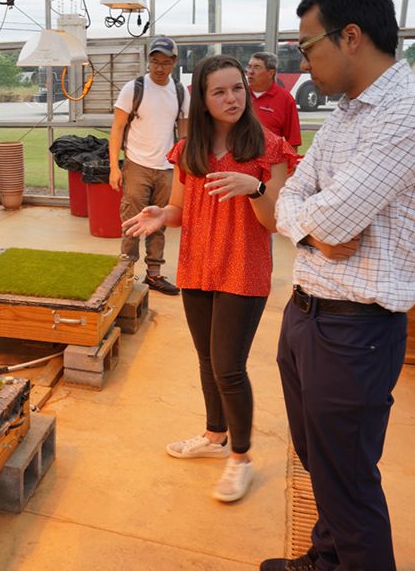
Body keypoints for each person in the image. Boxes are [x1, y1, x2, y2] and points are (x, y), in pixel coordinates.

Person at [262, 0, 415, 570]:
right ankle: (327, 559)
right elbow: (293, 198)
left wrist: (312, 220)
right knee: (320, 462)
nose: (304, 63)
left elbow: (336, 216)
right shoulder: (349, 112)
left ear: (351, 36)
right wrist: (311, 227)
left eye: (307, 46)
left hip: (356, 330)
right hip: (308, 314)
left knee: (348, 480)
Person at [122, 55, 297, 502]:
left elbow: (276, 221)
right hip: (198, 265)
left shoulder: (270, 147)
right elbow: (181, 209)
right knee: (207, 360)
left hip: (244, 269)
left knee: (229, 367)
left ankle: (241, 458)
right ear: (201, 99)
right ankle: (215, 436)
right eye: (219, 91)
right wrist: (162, 215)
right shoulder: (189, 150)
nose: (232, 98)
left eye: (238, 88)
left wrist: (255, 188)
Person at [109, 36, 190, 295]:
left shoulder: (180, 92)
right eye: (154, 62)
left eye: (165, 62)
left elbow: (184, 134)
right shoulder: (134, 89)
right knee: (132, 221)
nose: (159, 68)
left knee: (159, 223)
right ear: (148, 61)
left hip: (167, 168)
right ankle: (125, 273)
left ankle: (154, 274)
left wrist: (183, 169)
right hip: (137, 165)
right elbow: (117, 128)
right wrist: (114, 167)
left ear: (174, 62)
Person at [246, 52, 302, 150]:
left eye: (257, 67)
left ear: (271, 73)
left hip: (271, 159)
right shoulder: (240, 95)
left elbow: (293, 141)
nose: (250, 72)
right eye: (249, 67)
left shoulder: (286, 99)